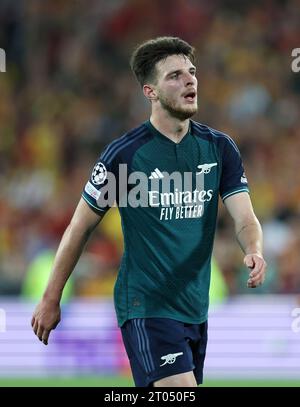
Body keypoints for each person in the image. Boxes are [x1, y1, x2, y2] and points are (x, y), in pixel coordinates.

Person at [32, 36, 267, 387]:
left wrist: (255, 250)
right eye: (174, 75)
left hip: (195, 310)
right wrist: (51, 297)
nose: (190, 80)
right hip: (145, 306)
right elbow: (79, 227)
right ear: (150, 92)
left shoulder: (219, 148)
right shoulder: (124, 156)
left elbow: (245, 218)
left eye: (192, 72)